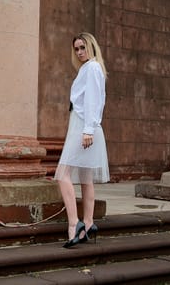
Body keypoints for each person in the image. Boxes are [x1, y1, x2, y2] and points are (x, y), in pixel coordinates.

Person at [54, 32, 109, 248]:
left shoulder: (93, 68)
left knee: (62, 174)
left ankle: (73, 224)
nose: (79, 52)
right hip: (82, 124)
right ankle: (88, 222)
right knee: (86, 177)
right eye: (76, 49)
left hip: (84, 126)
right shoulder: (87, 68)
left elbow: (95, 101)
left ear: (91, 46)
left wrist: (87, 130)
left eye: (82, 47)